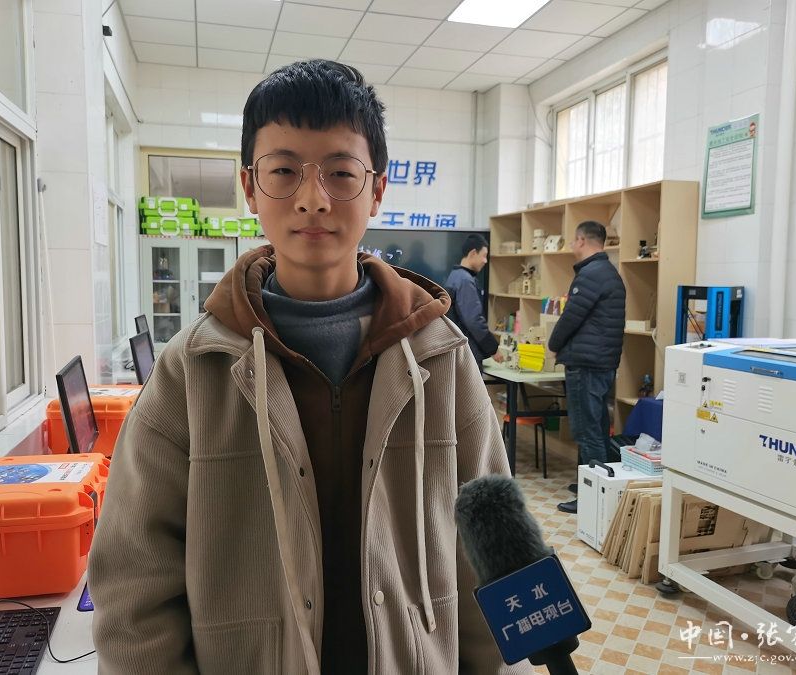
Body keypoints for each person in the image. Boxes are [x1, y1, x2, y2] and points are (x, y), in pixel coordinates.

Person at [88, 60, 528, 675]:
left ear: (377, 190)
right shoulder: (193, 371)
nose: (313, 198)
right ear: (250, 187)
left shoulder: (441, 356)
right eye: (284, 171)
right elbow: (133, 583)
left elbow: (494, 552)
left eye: (341, 173)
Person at [548, 220, 625, 514]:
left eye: (573, 240)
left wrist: (553, 344)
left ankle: (593, 499)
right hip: (602, 363)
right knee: (598, 427)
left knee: (587, 431)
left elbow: (571, 316)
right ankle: (591, 484)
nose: (571, 246)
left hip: (586, 364)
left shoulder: (591, 274)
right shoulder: (608, 272)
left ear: (581, 240)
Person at [445, 234, 503, 370]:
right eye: (484, 255)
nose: (485, 261)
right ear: (472, 253)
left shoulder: (454, 276)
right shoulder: (465, 280)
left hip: (456, 350)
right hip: (468, 352)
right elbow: (474, 320)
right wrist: (493, 348)